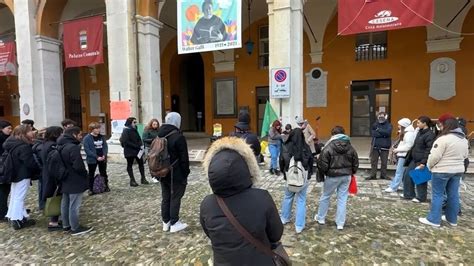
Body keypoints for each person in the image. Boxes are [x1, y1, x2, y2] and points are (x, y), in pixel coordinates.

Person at [200, 137, 283, 264]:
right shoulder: (262, 198)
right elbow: (276, 234)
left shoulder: (207, 204)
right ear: (246, 168)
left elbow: (210, 234)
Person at [419, 118, 468, 227]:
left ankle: (433, 219)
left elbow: (434, 156)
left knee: (437, 194)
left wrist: (430, 166)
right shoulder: (463, 139)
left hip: (442, 170)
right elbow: (465, 156)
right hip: (457, 170)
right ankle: (452, 219)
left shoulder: (443, 139)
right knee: (453, 195)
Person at [315, 126, 359, 230]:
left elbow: (323, 163)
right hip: (346, 176)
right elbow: (355, 162)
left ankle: (321, 218)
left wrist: (326, 173)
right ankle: (340, 223)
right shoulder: (350, 146)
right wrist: (351, 172)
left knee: (325, 196)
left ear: (333, 134)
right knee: (342, 199)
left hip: (332, 176)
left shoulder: (328, 146)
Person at [158, 112, 190, 233]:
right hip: (176, 173)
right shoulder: (178, 136)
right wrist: (185, 173)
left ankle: (165, 222)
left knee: (165, 197)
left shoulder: (159, 134)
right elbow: (184, 159)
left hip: (162, 172)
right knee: (176, 197)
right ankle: (175, 222)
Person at [58, 126, 93, 235]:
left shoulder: (61, 145)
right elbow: (78, 165)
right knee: (74, 204)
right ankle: (75, 227)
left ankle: (66, 225)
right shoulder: (72, 147)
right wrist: (85, 174)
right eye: (79, 135)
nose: (81, 137)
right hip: (74, 179)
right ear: (74, 135)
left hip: (65, 177)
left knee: (65, 203)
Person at [3, 125, 40, 230]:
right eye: (29, 131)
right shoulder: (23, 146)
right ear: (23, 133)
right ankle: (16, 220)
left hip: (15, 173)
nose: (32, 132)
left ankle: (16, 216)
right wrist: (38, 170)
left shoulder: (13, 143)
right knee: (19, 197)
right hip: (22, 174)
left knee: (15, 196)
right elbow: (30, 162)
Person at [279, 126, 313, 233]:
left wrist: (284, 173)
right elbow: (311, 163)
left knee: (288, 197)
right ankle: (299, 225)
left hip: (290, 177)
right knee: (301, 200)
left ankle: (284, 218)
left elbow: (281, 161)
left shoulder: (285, 146)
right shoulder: (306, 148)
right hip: (302, 178)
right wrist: (308, 175)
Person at [402, 116, 436, 202]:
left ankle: (421, 197)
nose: (417, 125)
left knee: (420, 178)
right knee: (407, 175)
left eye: (419, 123)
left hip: (421, 159)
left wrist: (423, 162)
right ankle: (408, 194)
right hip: (414, 158)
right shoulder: (419, 132)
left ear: (424, 123)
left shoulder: (430, 135)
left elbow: (428, 149)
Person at [39, 126, 64, 231]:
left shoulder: (45, 144)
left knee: (54, 196)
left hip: (47, 173)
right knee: (55, 197)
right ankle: (53, 222)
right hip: (52, 175)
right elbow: (54, 162)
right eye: (60, 133)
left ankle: (54, 219)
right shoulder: (52, 146)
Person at [384, 118, 416, 193]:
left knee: (399, 172)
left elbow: (409, 146)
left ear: (403, 125)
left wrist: (397, 150)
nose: (398, 126)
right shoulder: (406, 132)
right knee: (402, 172)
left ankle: (394, 187)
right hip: (402, 154)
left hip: (404, 155)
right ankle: (402, 185)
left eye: (399, 125)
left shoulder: (409, 134)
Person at [120, 117, 148, 187]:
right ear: (130, 123)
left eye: (136, 122)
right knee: (130, 165)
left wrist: (141, 145)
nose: (136, 124)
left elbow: (138, 138)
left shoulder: (135, 129)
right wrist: (136, 146)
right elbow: (125, 141)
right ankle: (132, 180)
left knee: (141, 163)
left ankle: (143, 178)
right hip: (129, 151)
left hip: (137, 150)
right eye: (134, 122)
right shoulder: (126, 130)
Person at [83, 122, 109, 194]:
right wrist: (96, 157)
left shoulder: (101, 137)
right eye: (96, 128)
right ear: (92, 129)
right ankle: (90, 188)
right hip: (93, 159)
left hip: (102, 157)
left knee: (103, 173)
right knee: (91, 173)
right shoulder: (87, 138)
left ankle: (105, 186)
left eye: (98, 128)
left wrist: (104, 154)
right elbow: (87, 150)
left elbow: (105, 146)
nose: (98, 130)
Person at [367, 112, 392, 180]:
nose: (381, 118)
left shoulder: (389, 125)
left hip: (385, 146)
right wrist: (383, 134)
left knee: (384, 162)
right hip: (375, 146)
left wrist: (378, 130)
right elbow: (374, 134)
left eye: (382, 117)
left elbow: (388, 133)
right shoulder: (374, 124)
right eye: (379, 117)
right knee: (374, 162)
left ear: (386, 117)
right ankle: (373, 175)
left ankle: (383, 175)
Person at [0, 120, 13, 223]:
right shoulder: (2, 139)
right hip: (2, 168)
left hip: (4, 166)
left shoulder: (7, 138)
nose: (10, 130)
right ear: (1, 129)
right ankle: (2, 213)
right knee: (3, 192)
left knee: (5, 191)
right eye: (8, 128)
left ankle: (7, 210)